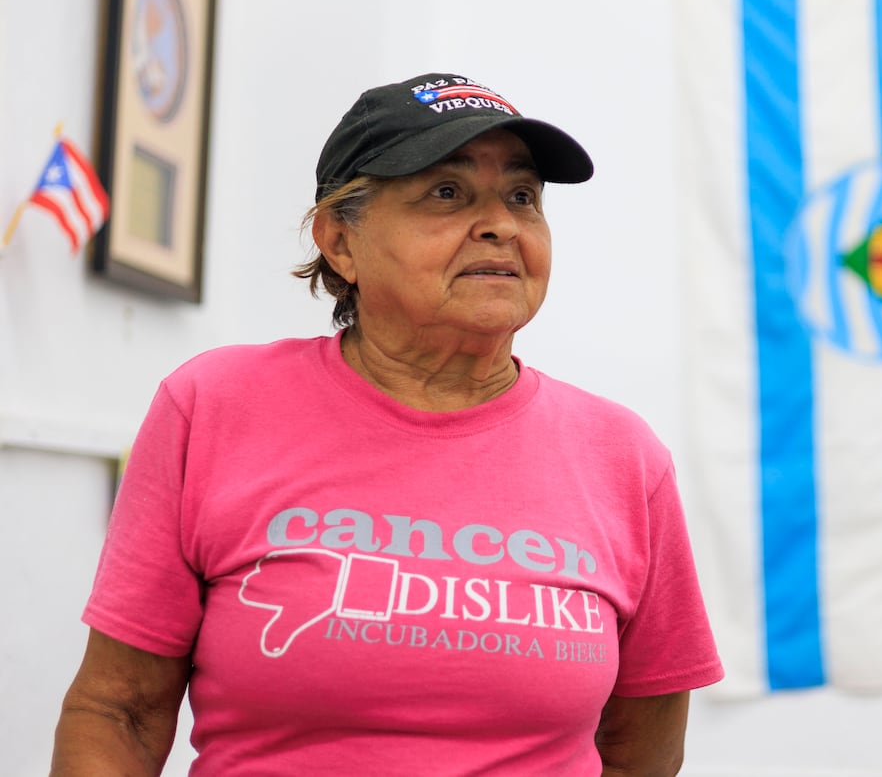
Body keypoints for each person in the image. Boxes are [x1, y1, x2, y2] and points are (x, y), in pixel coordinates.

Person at [51, 72, 723, 776]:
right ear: (341, 242)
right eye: (447, 193)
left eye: (522, 197)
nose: (501, 223)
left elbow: (641, 750)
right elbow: (120, 712)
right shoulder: (213, 407)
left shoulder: (624, 457)